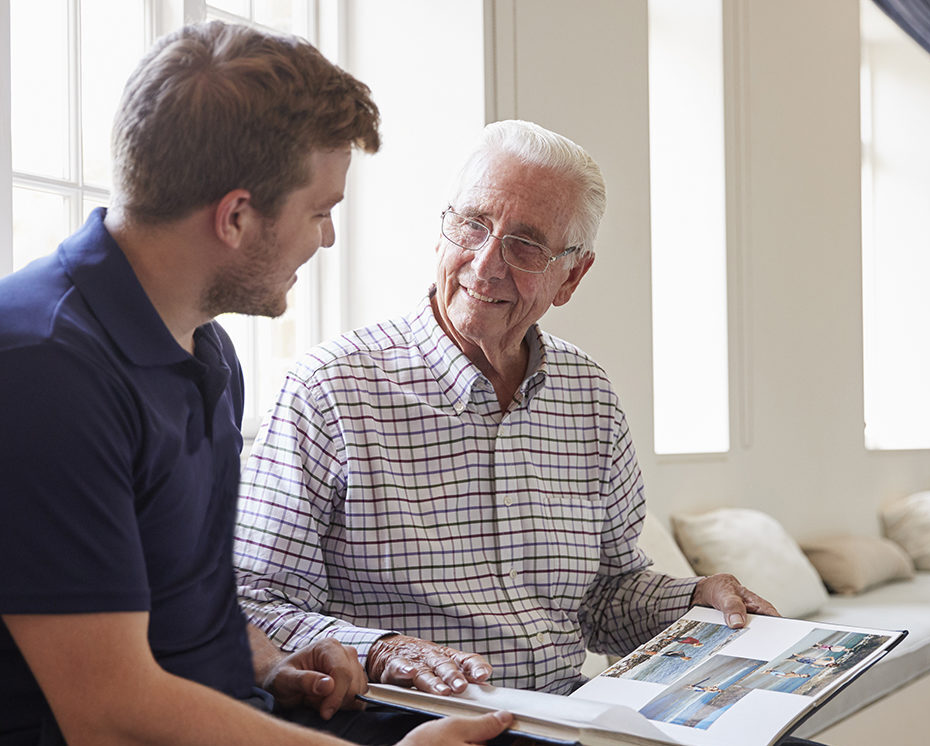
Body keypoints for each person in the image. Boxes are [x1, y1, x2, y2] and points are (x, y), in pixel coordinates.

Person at [0, 21, 511, 746]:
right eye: (320, 211)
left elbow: (177, 604)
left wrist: (271, 664)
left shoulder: (206, 348)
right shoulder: (39, 369)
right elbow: (107, 712)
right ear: (236, 216)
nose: (327, 238)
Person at [233, 120, 779, 699]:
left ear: (571, 275)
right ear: (442, 230)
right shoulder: (331, 388)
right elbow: (254, 604)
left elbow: (604, 596)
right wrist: (384, 650)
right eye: (472, 224)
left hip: (570, 714)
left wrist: (694, 598)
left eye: (524, 244)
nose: (485, 263)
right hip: (415, 718)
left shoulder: (588, 397)